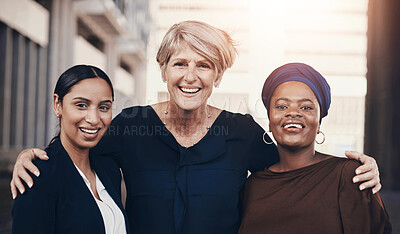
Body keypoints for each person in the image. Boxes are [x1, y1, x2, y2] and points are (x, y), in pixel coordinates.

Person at [11, 21, 381, 234]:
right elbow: (80, 148)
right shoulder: (130, 125)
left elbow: (295, 167)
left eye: (203, 65)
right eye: (180, 64)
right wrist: (35, 156)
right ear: (164, 70)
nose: (190, 77)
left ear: (218, 75)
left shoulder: (242, 133)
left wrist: (354, 171)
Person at [238, 63, 392, 234]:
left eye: (306, 107)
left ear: (319, 123)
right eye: (281, 106)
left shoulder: (350, 175)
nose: (293, 113)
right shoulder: (253, 186)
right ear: (269, 120)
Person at [12, 65, 129, 234]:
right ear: (57, 104)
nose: (94, 119)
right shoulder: (36, 176)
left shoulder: (109, 169)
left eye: (104, 107)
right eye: (81, 105)